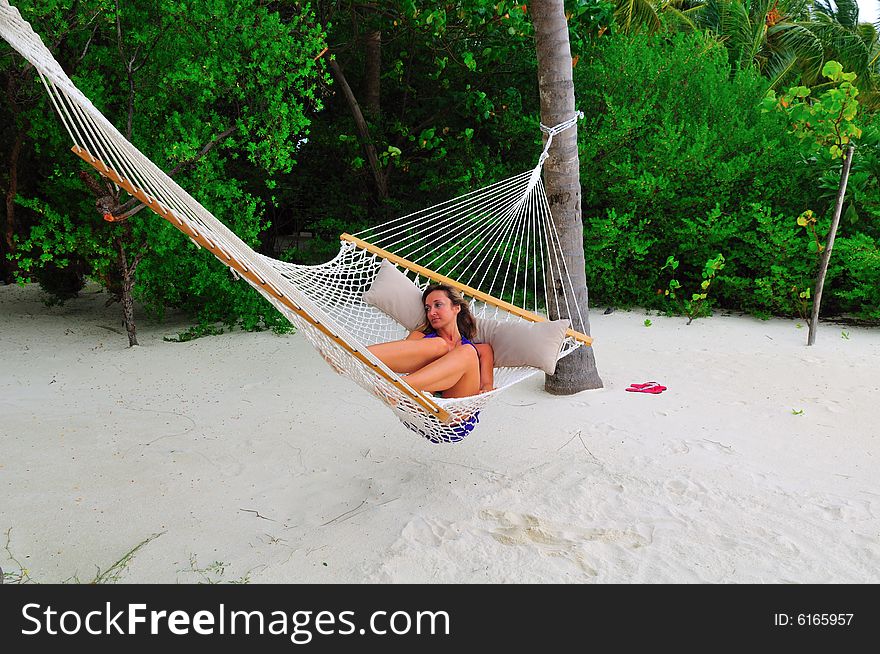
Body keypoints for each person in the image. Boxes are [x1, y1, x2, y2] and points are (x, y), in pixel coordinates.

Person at [368, 284, 494, 398]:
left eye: (438, 305)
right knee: (439, 344)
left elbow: (487, 387)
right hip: (421, 404)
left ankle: (401, 386)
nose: (431, 312)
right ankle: (357, 353)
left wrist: (485, 391)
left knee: (467, 352)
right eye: (428, 308)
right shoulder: (419, 338)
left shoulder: (482, 350)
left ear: (456, 308)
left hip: (455, 412)